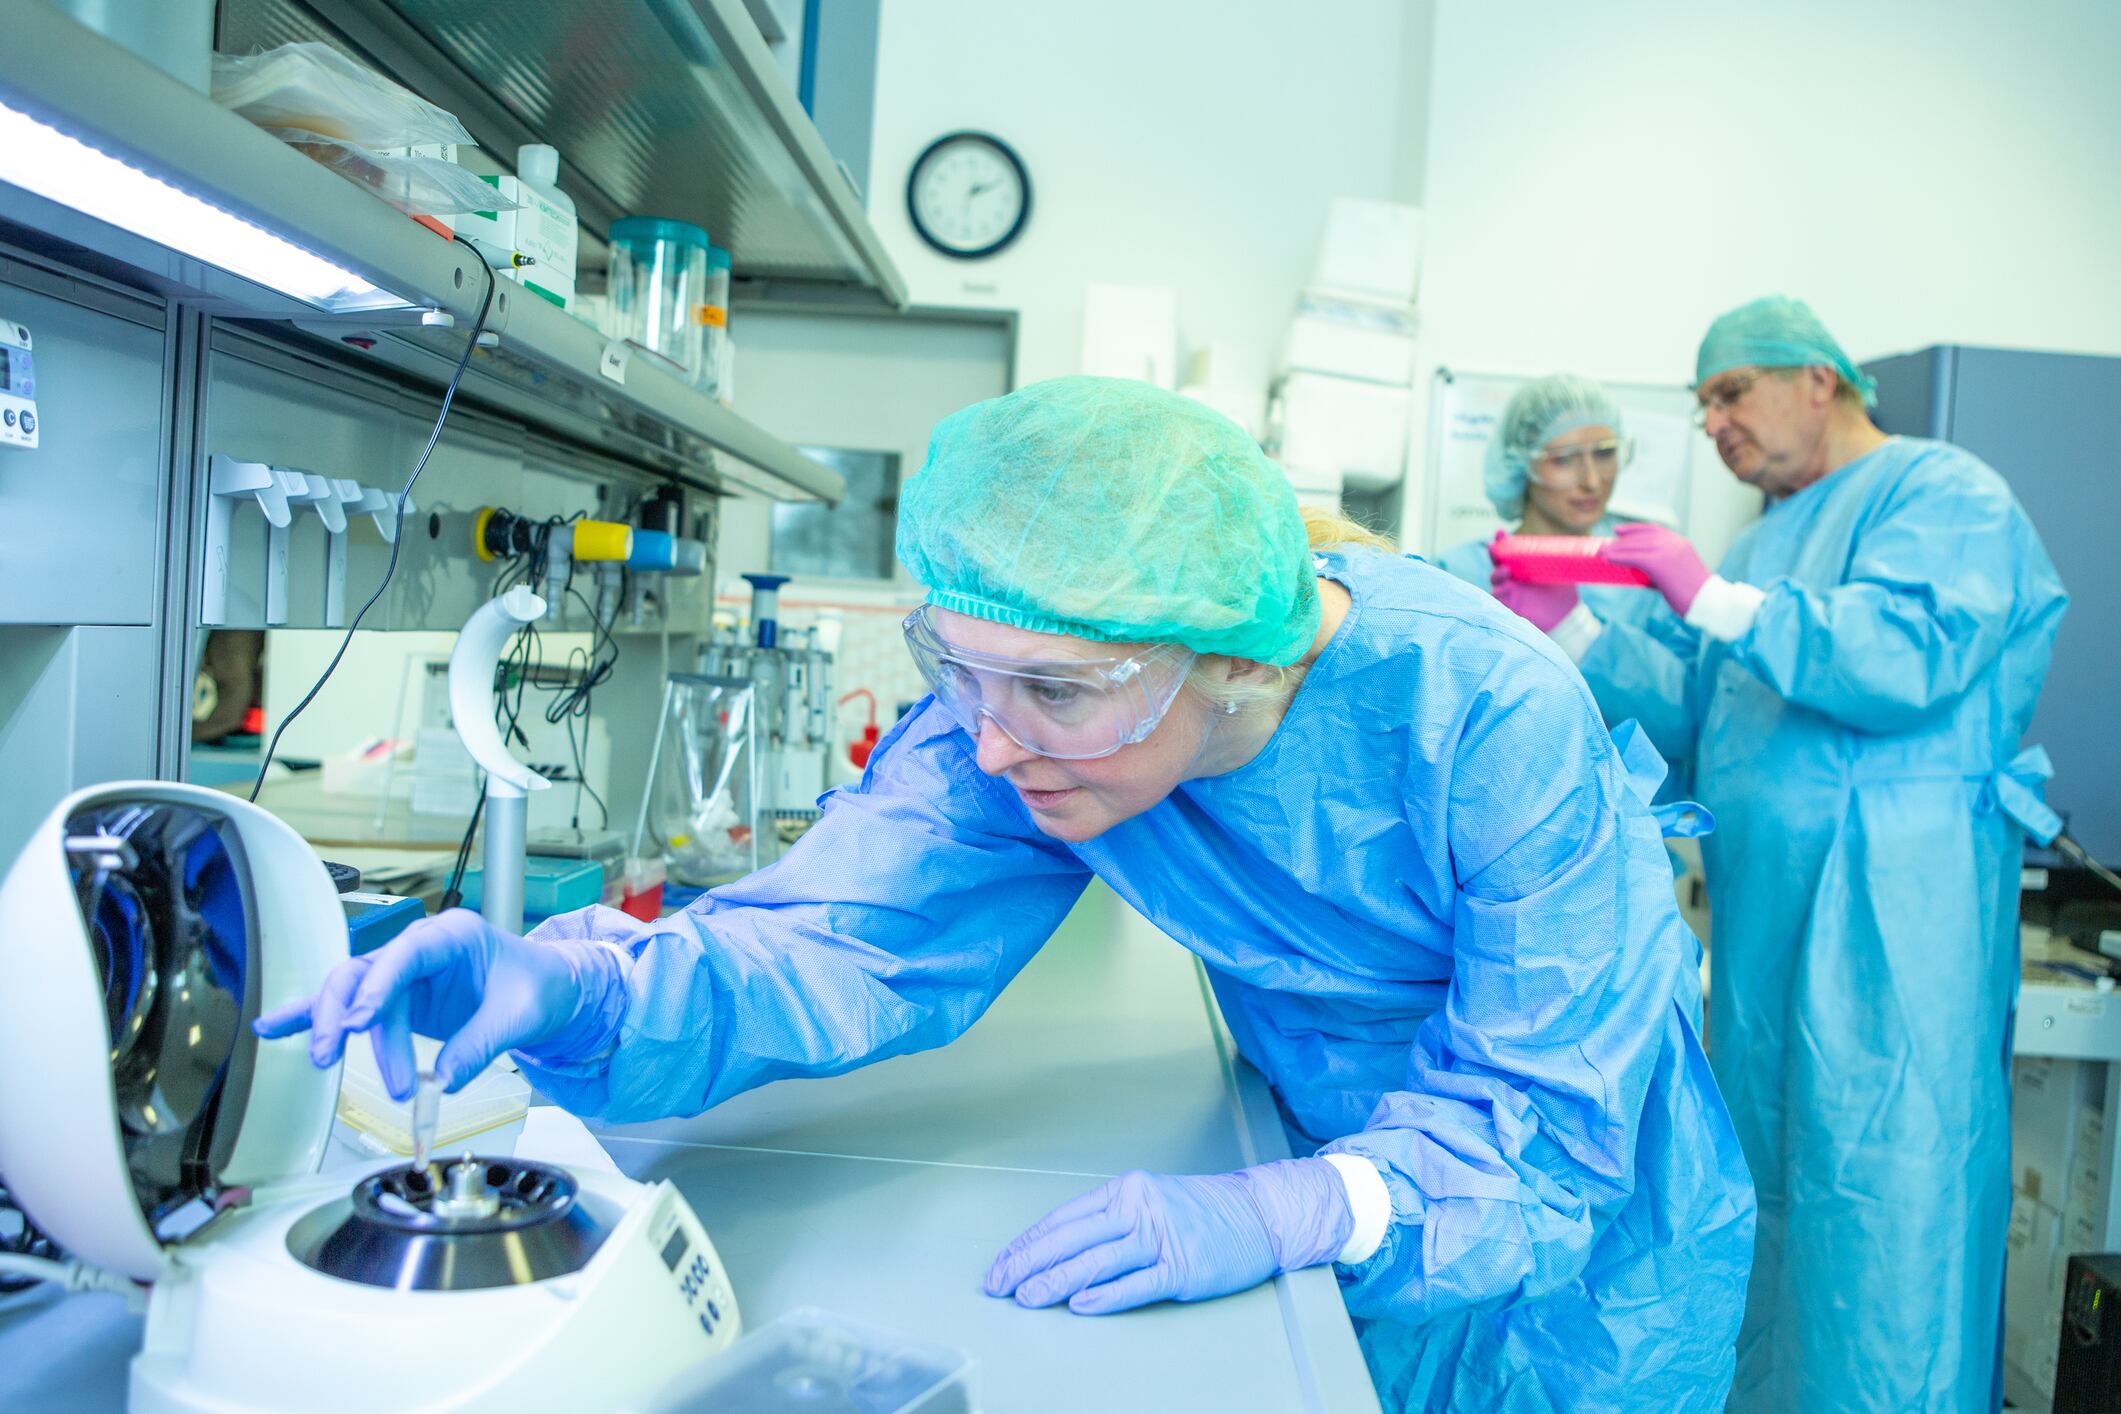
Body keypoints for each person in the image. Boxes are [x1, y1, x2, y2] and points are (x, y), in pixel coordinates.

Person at [259, 377, 1754, 1412]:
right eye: (954, 671)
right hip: (1333, 1150)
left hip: (1583, 1218)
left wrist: (1326, 1198)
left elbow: (1548, 1121)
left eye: (1046, 690)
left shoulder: (1493, 715)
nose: (987, 738)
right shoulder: (1043, 702)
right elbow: (842, 939)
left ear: (1232, 661)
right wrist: (587, 987)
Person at [1494, 296, 2066, 1413]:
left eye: (1728, 393)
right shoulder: (1765, 544)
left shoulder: (1943, 494)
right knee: (1759, 1212)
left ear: (1819, 378)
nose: (1711, 422)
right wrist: (1567, 631)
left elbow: (1907, 654)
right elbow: (1690, 721)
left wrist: (1712, 596)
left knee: (1888, 1220)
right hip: (1762, 935)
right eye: (1703, 404)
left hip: (1898, 932)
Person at [1438, 373, 1694, 808]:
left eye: (1606, 453)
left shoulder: (1648, 572)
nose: (1592, 480)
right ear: (1522, 463)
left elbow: (1683, 725)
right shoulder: (1460, 574)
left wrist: (1579, 632)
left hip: (1626, 841)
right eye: (1564, 459)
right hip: (1494, 828)